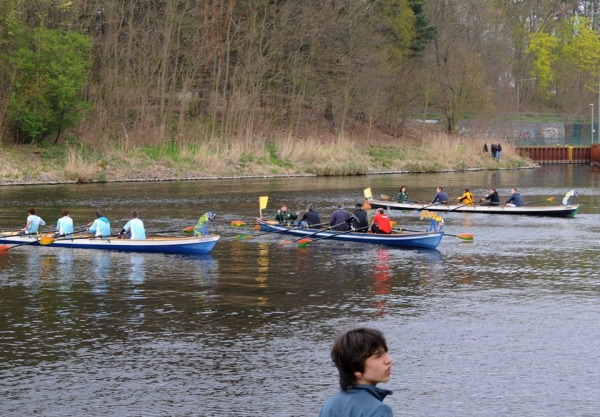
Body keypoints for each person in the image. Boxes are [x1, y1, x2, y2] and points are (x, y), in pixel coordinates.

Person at [318, 327, 393, 417]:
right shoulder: (378, 411)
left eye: (385, 353)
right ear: (356, 369)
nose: (389, 359)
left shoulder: (329, 406)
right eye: (378, 356)